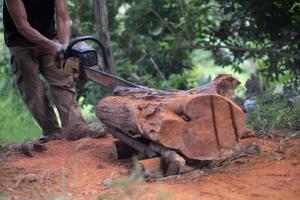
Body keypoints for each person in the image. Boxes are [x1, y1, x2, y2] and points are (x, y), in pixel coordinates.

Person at [3, 0, 106, 142]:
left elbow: (63, 17)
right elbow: (23, 26)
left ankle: (76, 128)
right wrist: (54, 46)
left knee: (63, 80)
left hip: (50, 36)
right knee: (32, 89)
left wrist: (64, 47)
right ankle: (51, 132)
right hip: (20, 43)